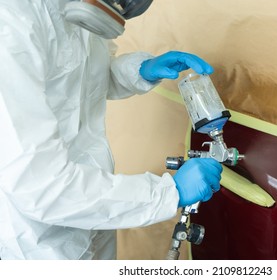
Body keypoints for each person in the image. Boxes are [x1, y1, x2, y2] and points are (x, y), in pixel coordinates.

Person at [0, 0, 222, 259]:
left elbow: (83, 83)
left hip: (99, 202)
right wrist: (166, 194)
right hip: (37, 239)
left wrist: (139, 71)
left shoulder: (81, 9)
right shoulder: (11, 23)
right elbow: (40, 185)